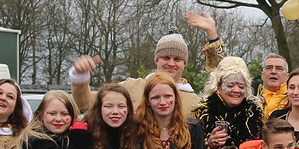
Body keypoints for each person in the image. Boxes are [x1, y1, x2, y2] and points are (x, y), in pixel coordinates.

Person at [69, 18, 220, 115]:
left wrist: (212, 35)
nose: (171, 63)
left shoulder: (194, 102)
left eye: (177, 59)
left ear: (184, 63)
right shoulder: (131, 87)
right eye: (166, 57)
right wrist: (80, 78)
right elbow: (86, 104)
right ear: (156, 60)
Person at [132, 73, 208, 149]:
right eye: (156, 97)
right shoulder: (138, 130)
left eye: (167, 96)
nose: (163, 102)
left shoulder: (192, 128)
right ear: (148, 101)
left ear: (176, 98)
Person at [257, 53, 290, 119]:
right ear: (262, 75)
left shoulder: (292, 99)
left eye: (279, 68)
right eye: (269, 68)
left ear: (287, 76)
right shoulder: (252, 96)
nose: (273, 71)